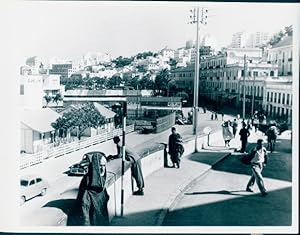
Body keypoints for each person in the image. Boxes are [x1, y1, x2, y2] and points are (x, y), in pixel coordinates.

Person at [77, 152, 110, 226]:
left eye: (104, 166)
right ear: (95, 166)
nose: (102, 168)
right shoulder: (88, 183)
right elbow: (84, 208)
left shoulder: (100, 181)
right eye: (100, 166)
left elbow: (106, 197)